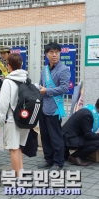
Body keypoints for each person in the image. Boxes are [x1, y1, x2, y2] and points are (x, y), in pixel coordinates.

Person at [0, 53, 29, 180]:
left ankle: (18, 180)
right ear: (21, 65)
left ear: (8, 66)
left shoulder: (8, 81)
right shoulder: (25, 79)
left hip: (12, 119)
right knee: (18, 147)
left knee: (13, 149)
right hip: (24, 119)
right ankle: (21, 175)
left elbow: (3, 105)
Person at [38, 42, 71, 171]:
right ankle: (49, 159)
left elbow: (64, 88)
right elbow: (42, 84)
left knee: (56, 137)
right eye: (51, 52)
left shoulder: (63, 70)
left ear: (60, 53)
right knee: (45, 136)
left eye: (56, 52)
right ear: (47, 54)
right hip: (43, 108)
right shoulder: (44, 69)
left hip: (55, 109)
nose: (54, 55)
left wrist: (47, 91)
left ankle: (58, 162)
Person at [63, 99, 99, 166]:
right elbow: (88, 135)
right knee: (97, 143)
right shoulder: (88, 115)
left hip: (69, 136)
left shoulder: (88, 110)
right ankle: (75, 156)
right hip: (69, 139)